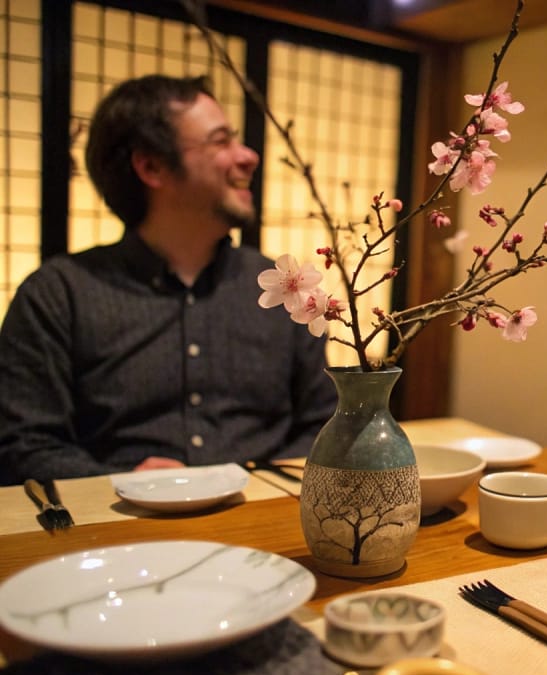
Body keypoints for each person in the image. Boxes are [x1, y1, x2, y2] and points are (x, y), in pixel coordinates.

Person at [0, 75, 335, 485]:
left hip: (264, 522)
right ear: (152, 166)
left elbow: (325, 425)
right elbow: (23, 446)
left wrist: (252, 486)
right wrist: (120, 480)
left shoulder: (285, 288)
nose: (248, 156)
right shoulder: (58, 294)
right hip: (117, 531)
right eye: (220, 141)